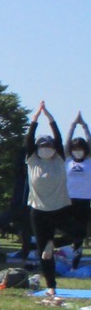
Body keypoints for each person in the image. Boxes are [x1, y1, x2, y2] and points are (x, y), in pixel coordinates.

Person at [24, 103, 75, 305]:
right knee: (44, 255)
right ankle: (51, 287)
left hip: (60, 208)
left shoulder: (59, 160)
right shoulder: (33, 160)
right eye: (42, 146)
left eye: (49, 146)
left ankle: (53, 244)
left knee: (77, 233)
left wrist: (50, 118)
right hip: (38, 211)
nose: (46, 149)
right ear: (38, 149)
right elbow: (28, 140)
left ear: (54, 149)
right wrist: (35, 118)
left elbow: (60, 138)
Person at [66, 113, 90, 269]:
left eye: (80, 149)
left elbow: (90, 141)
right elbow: (67, 143)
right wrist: (72, 125)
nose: (77, 151)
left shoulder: (89, 161)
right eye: (75, 149)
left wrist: (85, 126)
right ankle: (64, 252)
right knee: (67, 229)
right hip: (68, 200)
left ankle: (76, 258)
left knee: (80, 232)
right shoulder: (68, 159)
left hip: (84, 201)